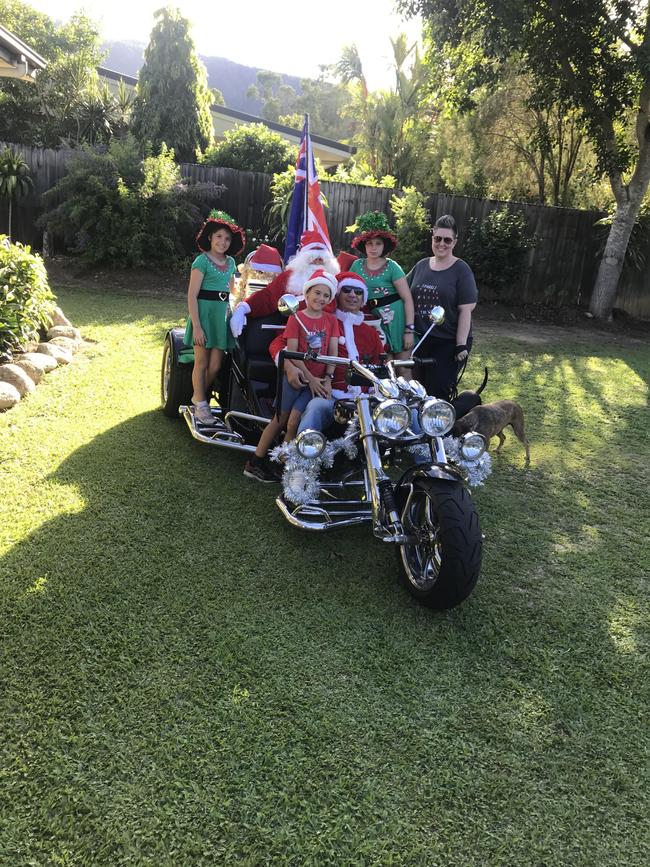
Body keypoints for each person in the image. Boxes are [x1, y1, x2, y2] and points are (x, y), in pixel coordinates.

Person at [244, 269, 340, 482]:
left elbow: (333, 352)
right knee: (280, 419)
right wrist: (311, 378)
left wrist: (328, 378)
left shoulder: (331, 321)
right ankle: (255, 461)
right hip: (295, 380)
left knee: (295, 421)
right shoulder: (296, 319)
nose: (321, 298)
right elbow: (293, 354)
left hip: (314, 383)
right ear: (307, 294)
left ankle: (283, 464)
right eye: (317, 293)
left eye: (326, 295)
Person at [297, 271, 385, 434]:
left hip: (366, 400)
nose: (352, 295)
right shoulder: (324, 321)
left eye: (358, 292)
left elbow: (381, 366)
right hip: (332, 396)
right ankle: (302, 454)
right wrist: (292, 368)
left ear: (363, 299)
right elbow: (283, 343)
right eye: (347, 290)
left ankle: (427, 456)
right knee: (315, 407)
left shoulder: (371, 333)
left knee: (405, 407)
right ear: (337, 295)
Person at [405, 214, 478, 401]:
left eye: (447, 240)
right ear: (432, 239)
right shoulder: (421, 266)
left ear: (454, 242)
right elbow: (401, 291)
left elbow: (465, 310)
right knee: (413, 389)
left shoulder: (461, 270)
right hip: (420, 339)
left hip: (448, 341)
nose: (442, 244)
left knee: (436, 392)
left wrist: (461, 344)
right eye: (438, 239)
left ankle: (439, 427)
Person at [185, 209, 245, 425]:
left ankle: (197, 396)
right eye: (219, 236)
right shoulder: (201, 261)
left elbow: (230, 291)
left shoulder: (230, 263)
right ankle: (202, 404)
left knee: (216, 366)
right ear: (209, 237)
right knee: (201, 362)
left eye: (227, 238)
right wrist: (198, 327)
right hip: (204, 315)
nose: (223, 241)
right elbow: (192, 295)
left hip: (220, 317)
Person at [230, 231, 339, 335]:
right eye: (313, 258)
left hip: (324, 333)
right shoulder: (290, 276)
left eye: (321, 260)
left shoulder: (334, 278)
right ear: (303, 259)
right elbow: (269, 296)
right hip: (291, 332)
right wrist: (244, 307)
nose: (317, 263)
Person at [349, 211, 415, 365]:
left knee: (402, 368)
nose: (373, 247)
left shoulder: (392, 267)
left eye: (378, 243)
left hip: (396, 320)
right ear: (363, 245)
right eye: (369, 243)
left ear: (384, 245)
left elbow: (407, 299)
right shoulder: (356, 266)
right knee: (383, 367)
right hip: (371, 320)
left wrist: (409, 331)